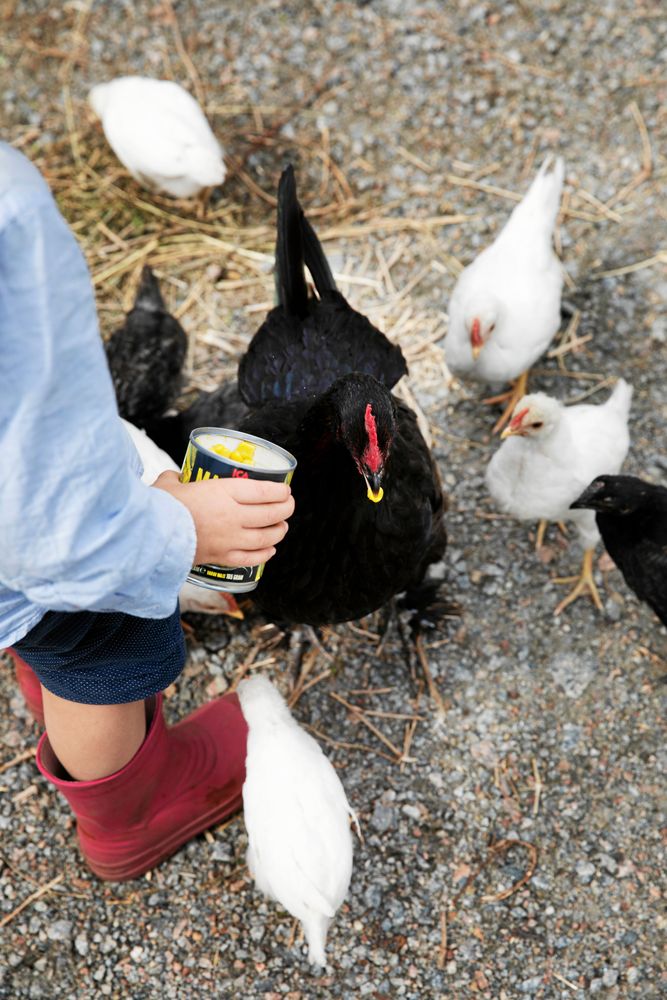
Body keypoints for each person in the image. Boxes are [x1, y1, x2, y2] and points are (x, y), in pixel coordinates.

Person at [0, 141, 295, 881]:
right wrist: (172, 525)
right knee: (94, 637)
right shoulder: (6, 225)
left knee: (33, 614)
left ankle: (40, 665)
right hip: (39, 533)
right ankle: (130, 815)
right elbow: (56, 531)